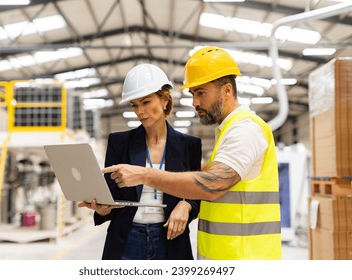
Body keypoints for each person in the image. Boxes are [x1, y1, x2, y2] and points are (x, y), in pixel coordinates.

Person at [102, 46, 282, 260]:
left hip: (243, 255)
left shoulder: (244, 130)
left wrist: (145, 175)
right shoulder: (228, 131)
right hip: (226, 253)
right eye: (193, 94)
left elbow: (211, 184)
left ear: (226, 90)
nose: (195, 102)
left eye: (201, 93)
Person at [78, 63, 202, 260]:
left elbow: (197, 193)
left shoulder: (189, 145)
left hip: (170, 238)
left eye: (146, 102)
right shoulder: (119, 142)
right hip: (127, 239)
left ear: (164, 99)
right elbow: (111, 194)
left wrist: (186, 205)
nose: (139, 111)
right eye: (134, 105)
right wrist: (103, 208)